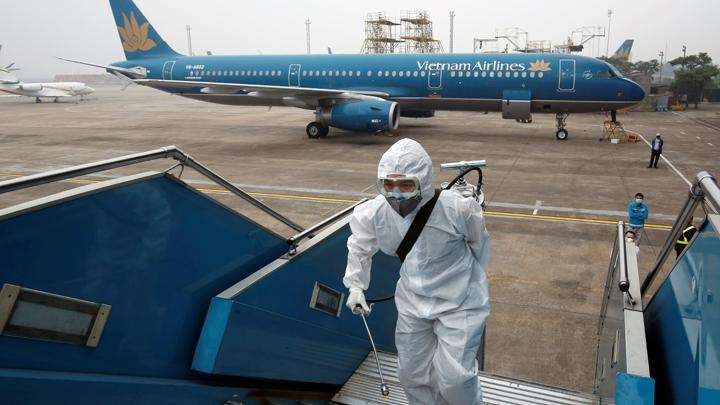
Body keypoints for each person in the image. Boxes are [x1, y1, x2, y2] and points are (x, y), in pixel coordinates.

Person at [343, 138, 491, 405]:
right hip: (413, 302)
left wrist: (472, 282)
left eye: (406, 185)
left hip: (460, 302)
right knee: (411, 374)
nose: (396, 194)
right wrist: (356, 286)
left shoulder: (457, 208)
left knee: (455, 379)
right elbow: (359, 245)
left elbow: (479, 247)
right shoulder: (376, 212)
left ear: (422, 181)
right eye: (388, 184)